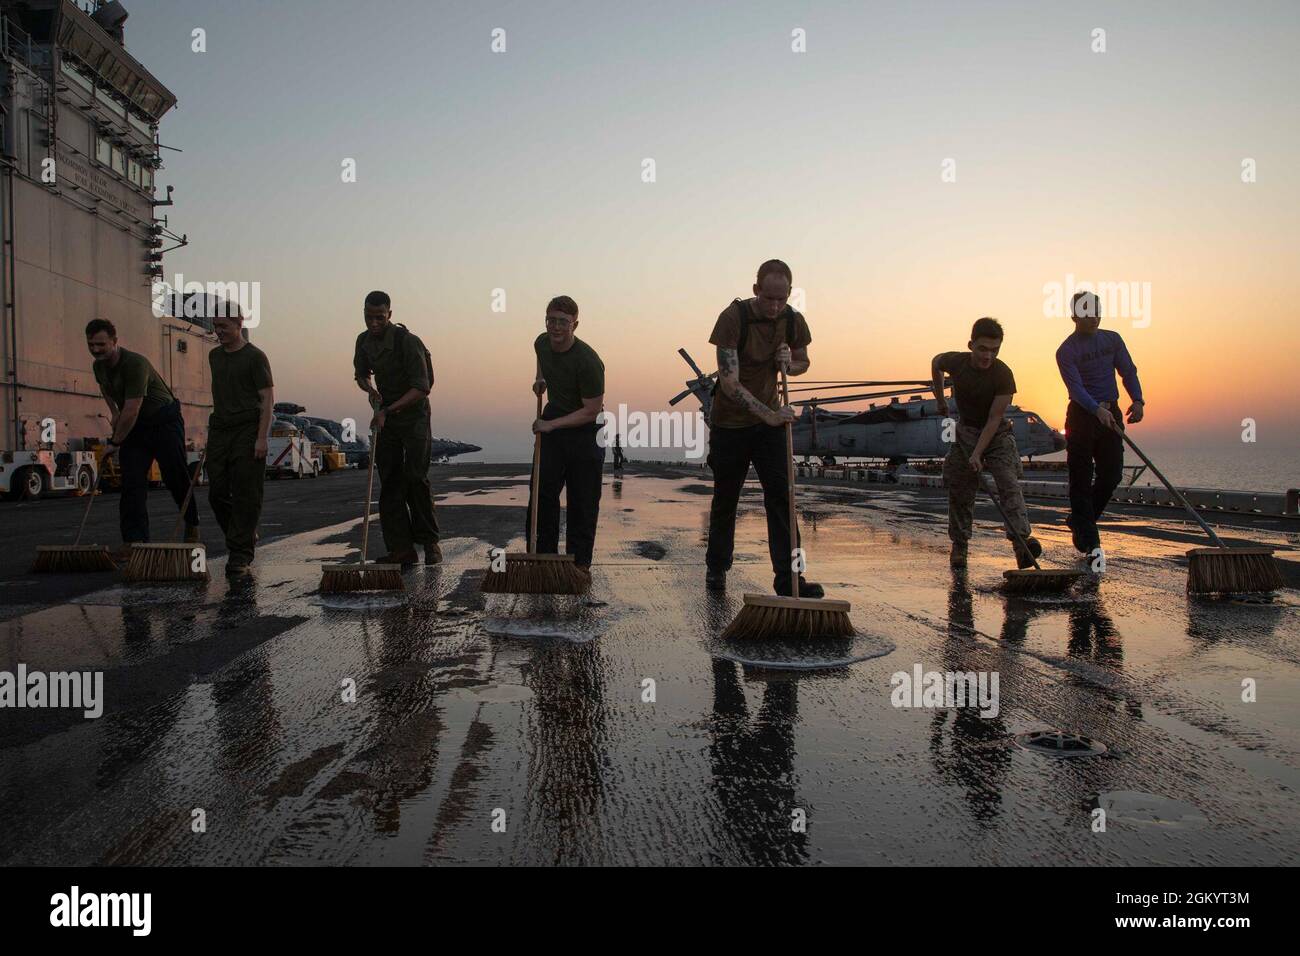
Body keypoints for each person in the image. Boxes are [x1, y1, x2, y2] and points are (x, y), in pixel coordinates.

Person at [705, 259, 820, 596]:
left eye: (781, 299)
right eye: (768, 298)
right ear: (756, 290)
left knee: (784, 499)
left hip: (770, 425)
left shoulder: (792, 320)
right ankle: (717, 567)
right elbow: (729, 383)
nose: (774, 306)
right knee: (726, 498)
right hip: (730, 424)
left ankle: (792, 578)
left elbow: (803, 362)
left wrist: (791, 363)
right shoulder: (733, 318)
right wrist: (768, 415)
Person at [932, 317, 1039, 569]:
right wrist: (940, 399)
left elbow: (994, 419)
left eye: (994, 350)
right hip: (966, 433)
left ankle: (1021, 545)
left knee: (1008, 484)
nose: (987, 356)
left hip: (997, 437)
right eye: (982, 349)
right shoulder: (957, 362)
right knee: (960, 488)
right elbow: (936, 362)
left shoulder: (1003, 375)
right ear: (971, 345)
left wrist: (977, 454)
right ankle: (960, 545)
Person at [86, 318, 199, 555]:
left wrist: (114, 442)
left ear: (114, 342)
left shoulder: (135, 364)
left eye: (101, 345)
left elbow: (132, 408)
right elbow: (111, 398)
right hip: (136, 428)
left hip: (164, 422)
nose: (96, 350)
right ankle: (135, 541)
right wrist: (114, 416)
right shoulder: (98, 367)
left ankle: (192, 525)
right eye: (91, 345)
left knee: (175, 476)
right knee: (132, 483)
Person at [352, 290, 441, 566]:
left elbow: (422, 387)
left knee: (415, 478)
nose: (374, 322)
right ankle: (402, 549)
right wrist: (371, 390)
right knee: (389, 483)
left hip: (413, 416)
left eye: (380, 317)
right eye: (369, 317)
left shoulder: (407, 341)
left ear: (390, 314)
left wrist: (387, 410)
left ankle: (430, 543)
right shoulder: (363, 341)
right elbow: (361, 374)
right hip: (386, 417)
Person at [1055, 291, 1145, 560]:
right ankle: (1092, 543)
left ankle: (1081, 522)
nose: (1093, 318)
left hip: (1111, 411)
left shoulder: (1112, 339)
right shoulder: (1066, 351)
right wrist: (1095, 410)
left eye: (1096, 311)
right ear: (1074, 317)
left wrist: (1138, 400)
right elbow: (1075, 388)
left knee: (1112, 474)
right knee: (1080, 479)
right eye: (1086, 313)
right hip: (1082, 416)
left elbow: (1128, 370)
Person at [529, 295, 606, 588]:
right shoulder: (541, 342)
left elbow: (591, 410)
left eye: (563, 322)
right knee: (541, 493)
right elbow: (540, 356)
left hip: (586, 430)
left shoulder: (588, 361)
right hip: (554, 425)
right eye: (551, 320)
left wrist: (550, 425)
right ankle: (541, 559)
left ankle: (579, 566)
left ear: (575, 324)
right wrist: (540, 379)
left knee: (582, 500)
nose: (556, 327)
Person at [206, 304, 274, 575]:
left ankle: (240, 553)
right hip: (221, 429)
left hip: (248, 428)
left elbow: (267, 400)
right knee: (217, 492)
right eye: (215, 326)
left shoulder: (255, 357)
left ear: (239, 324)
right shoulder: (214, 357)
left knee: (246, 492)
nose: (218, 331)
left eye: (223, 326)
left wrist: (261, 438)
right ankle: (243, 533)